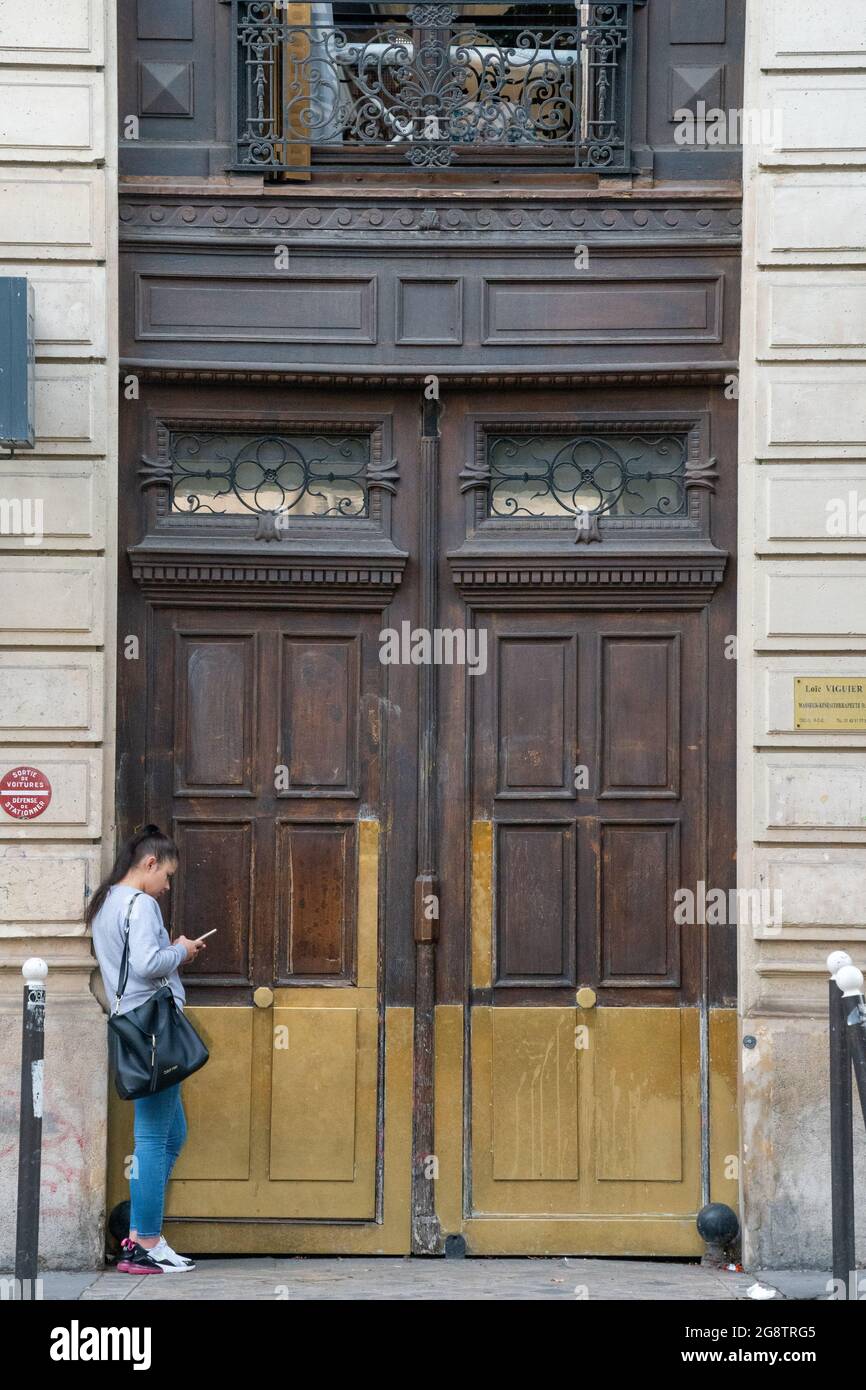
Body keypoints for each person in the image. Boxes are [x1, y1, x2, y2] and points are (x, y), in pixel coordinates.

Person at [87, 824, 207, 1274]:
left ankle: (141, 1228)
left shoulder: (106, 902)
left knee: (171, 1135)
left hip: (135, 1028)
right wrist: (181, 950)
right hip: (154, 1030)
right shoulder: (140, 904)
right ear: (150, 864)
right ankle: (144, 1241)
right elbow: (146, 964)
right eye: (167, 876)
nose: (167, 886)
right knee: (154, 1139)